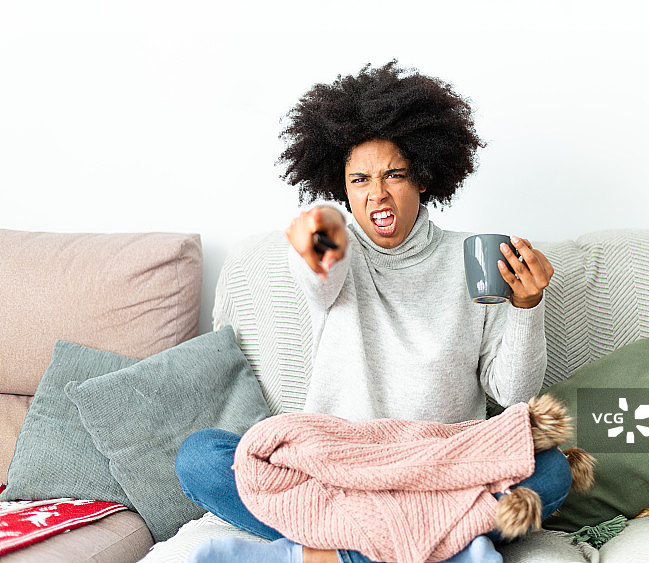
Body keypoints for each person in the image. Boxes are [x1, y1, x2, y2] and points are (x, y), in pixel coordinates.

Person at [177, 61, 571, 563]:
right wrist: (320, 238)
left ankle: (324, 553)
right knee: (201, 456)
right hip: (339, 464)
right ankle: (442, 543)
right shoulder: (339, 249)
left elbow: (512, 395)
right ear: (342, 187)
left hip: (437, 467)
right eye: (359, 179)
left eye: (394, 175)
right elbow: (321, 274)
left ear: (424, 178)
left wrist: (527, 306)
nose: (377, 194)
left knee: (553, 470)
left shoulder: (472, 258)